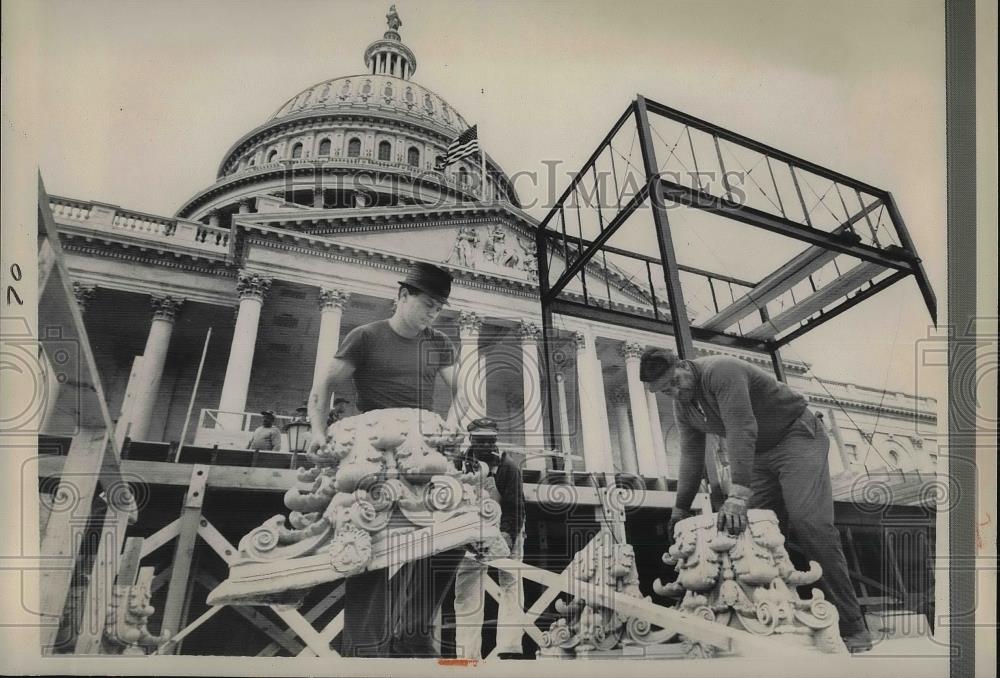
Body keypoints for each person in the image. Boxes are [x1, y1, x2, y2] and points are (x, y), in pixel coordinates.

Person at [639, 348, 873, 653]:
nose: (673, 392)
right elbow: (691, 457)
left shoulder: (721, 371)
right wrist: (680, 508)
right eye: (664, 391)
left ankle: (853, 626)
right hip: (760, 455)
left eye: (673, 382)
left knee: (810, 524)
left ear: (684, 365)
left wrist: (738, 493)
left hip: (797, 437)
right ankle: (775, 620)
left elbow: (742, 428)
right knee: (750, 535)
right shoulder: (684, 408)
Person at [307, 261, 466, 658]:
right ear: (402, 295)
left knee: (457, 531)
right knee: (368, 534)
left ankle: (411, 631)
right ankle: (364, 649)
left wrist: (453, 428)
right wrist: (316, 430)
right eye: (429, 303)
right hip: (373, 447)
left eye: (440, 306)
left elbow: (463, 393)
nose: (435, 312)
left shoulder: (439, 343)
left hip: (423, 447)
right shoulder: (365, 337)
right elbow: (323, 385)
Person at [451, 418, 526, 660]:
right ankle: (467, 654)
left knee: (511, 584)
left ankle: (509, 648)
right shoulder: (459, 465)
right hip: (470, 530)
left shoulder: (508, 468)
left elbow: (515, 509)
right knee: (466, 591)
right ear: (470, 440)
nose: (485, 446)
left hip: (507, 528)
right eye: (480, 441)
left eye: (489, 441)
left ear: (495, 440)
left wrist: (506, 538)